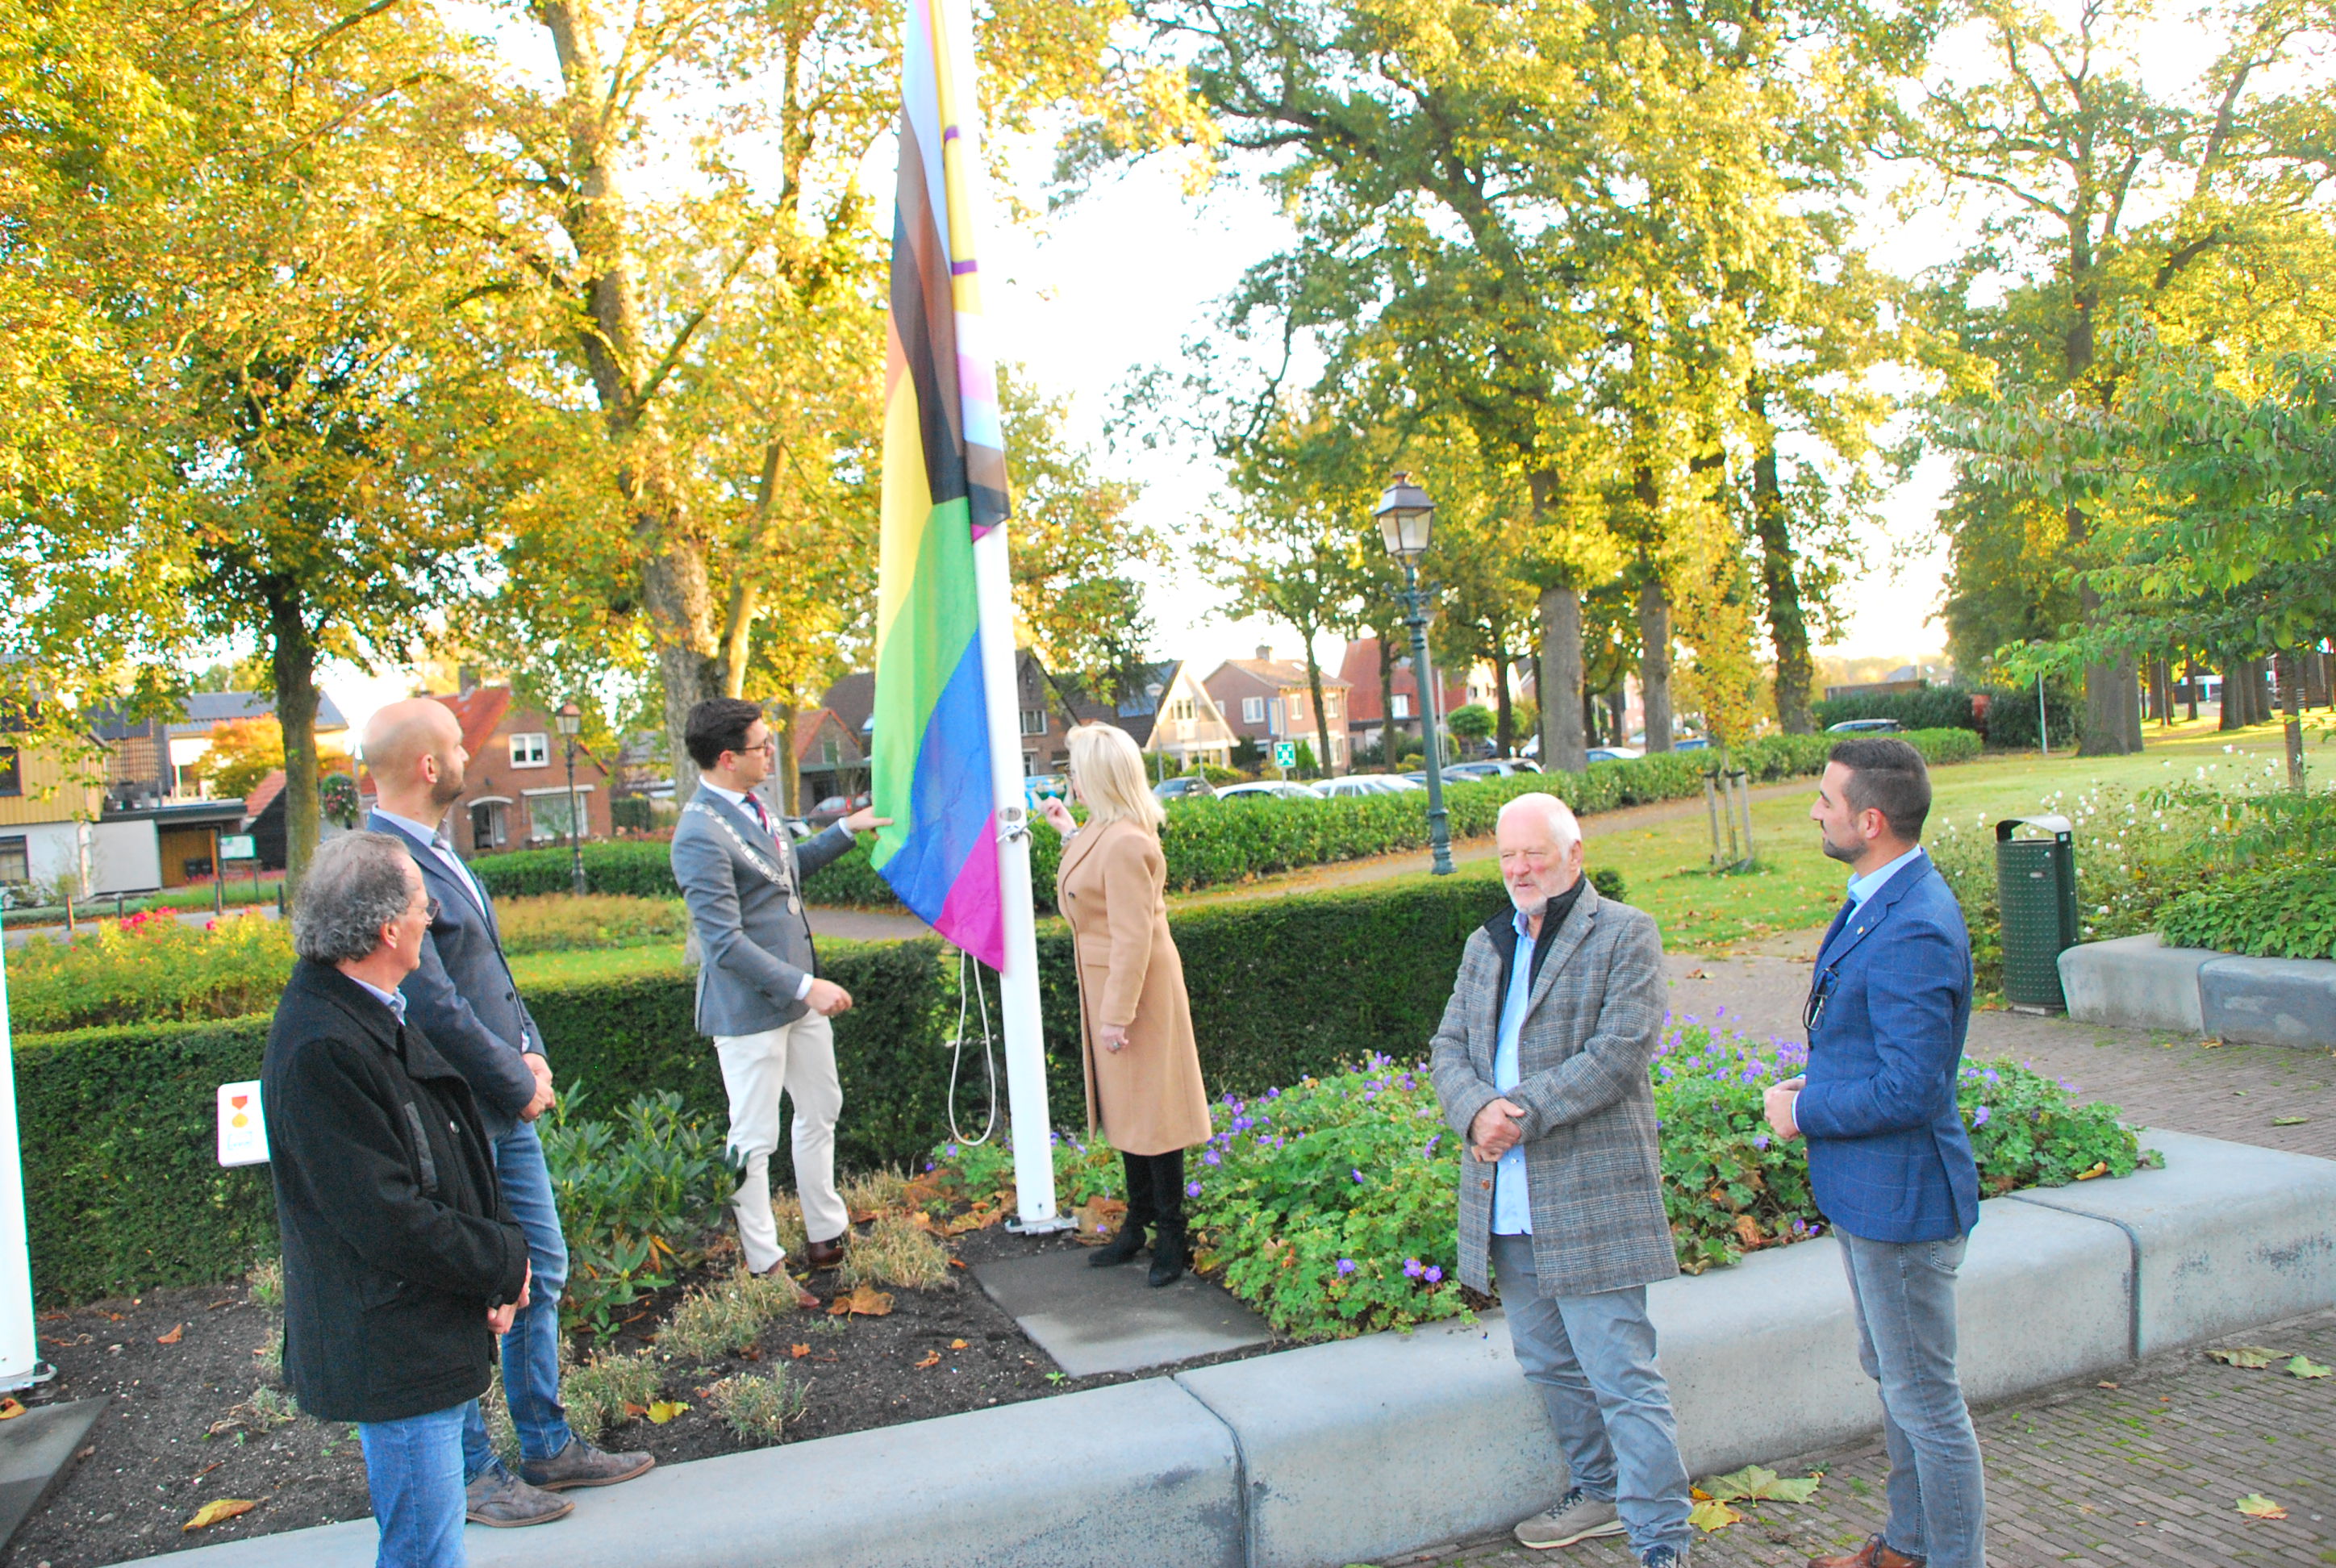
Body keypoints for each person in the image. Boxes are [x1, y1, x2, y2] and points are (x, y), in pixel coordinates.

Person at [362, 699, 652, 1521]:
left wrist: (531, 1047)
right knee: (471, 1289)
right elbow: (432, 1003)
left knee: (540, 1268)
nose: (468, 755)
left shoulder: (438, 850)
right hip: (458, 1112)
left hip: (499, 1101)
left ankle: (547, 1446)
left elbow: (490, 973)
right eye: (458, 746)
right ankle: (473, 1474)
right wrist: (514, 1080)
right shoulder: (385, 864)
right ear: (429, 766)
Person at [1429, 794, 1692, 1568]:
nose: (1519, 869)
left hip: (1589, 1196)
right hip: (1506, 1199)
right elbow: (1447, 1046)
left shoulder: (1626, 933)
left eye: (1534, 854)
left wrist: (1518, 1114)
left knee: (1623, 1377)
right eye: (1507, 856)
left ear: (1574, 854)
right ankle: (1599, 1491)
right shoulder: (1487, 943)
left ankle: (1661, 1538)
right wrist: (1474, 1111)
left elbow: (1620, 1053)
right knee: (1547, 1363)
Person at [263, 832, 532, 1568]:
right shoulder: (325, 1045)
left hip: (416, 1326)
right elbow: (389, 1218)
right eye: (423, 905)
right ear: (388, 929)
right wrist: (502, 1262)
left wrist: (501, 1261)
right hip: (395, 1342)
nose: (430, 917)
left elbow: (446, 1154)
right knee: (423, 1552)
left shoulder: (363, 1011)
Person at [1765, 737, 1984, 1568]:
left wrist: (1803, 1112)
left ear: (1870, 821)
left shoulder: (1914, 925)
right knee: (1899, 1383)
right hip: (1873, 1195)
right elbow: (1879, 1049)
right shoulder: (1881, 897)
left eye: (1826, 800)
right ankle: (1907, 1547)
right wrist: (1818, 1078)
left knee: (1925, 1401)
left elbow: (1912, 1091)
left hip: (1904, 1204)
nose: (1814, 811)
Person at [670, 697, 889, 1307]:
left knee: (821, 1108)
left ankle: (826, 1234)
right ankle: (764, 1263)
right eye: (761, 745)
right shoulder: (697, 834)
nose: (772, 751)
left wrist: (846, 830)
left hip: (797, 1001)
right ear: (726, 757)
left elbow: (785, 874)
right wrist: (805, 985)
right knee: (754, 1137)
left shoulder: (755, 805)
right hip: (748, 1010)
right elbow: (723, 944)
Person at [1036, 723, 1212, 1287]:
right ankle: (1138, 1223)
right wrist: (1067, 831)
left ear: (1099, 775)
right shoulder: (1104, 829)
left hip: (1136, 994)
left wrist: (1115, 1015)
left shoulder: (1126, 840)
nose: (1070, 779)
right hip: (1116, 987)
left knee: (1155, 1117)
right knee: (1130, 1115)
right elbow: (1094, 884)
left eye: (1075, 770)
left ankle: (1171, 1235)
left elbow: (1133, 937)